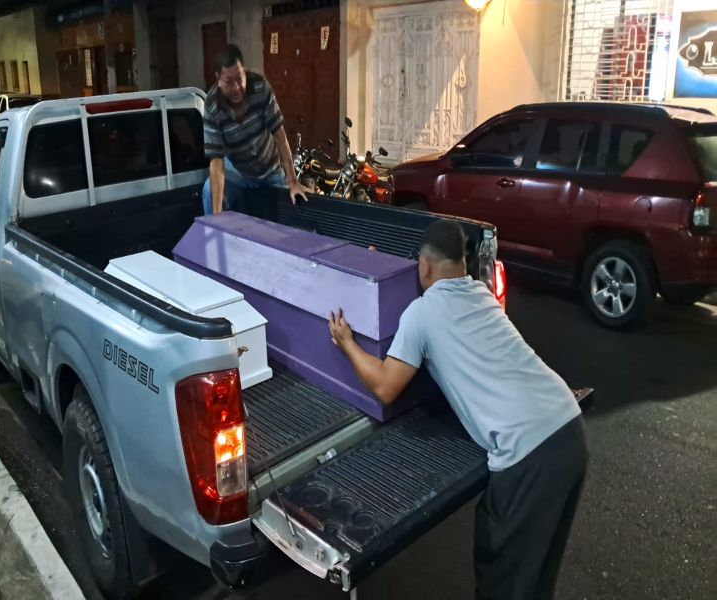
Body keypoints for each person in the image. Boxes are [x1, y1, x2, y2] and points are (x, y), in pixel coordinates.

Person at [328, 220, 588, 600]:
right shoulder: (482, 294)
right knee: (535, 573)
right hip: (569, 426)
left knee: (505, 579)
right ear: (462, 262)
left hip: (529, 454)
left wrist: (347, 342)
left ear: (425, 266)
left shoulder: (422, 313)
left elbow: (385, 387)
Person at [202, 44, 307, 214]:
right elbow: (216, 161)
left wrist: (292, 181)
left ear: (244, 71)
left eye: (240, 78)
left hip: (269, 170)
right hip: (237, 171)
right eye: (229, 82)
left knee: (290, 208)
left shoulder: (260, 86)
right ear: (218, 79)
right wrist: (216, 217)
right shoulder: (212, 106)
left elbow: (279, 135)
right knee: (209, 192)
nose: (236, 88)